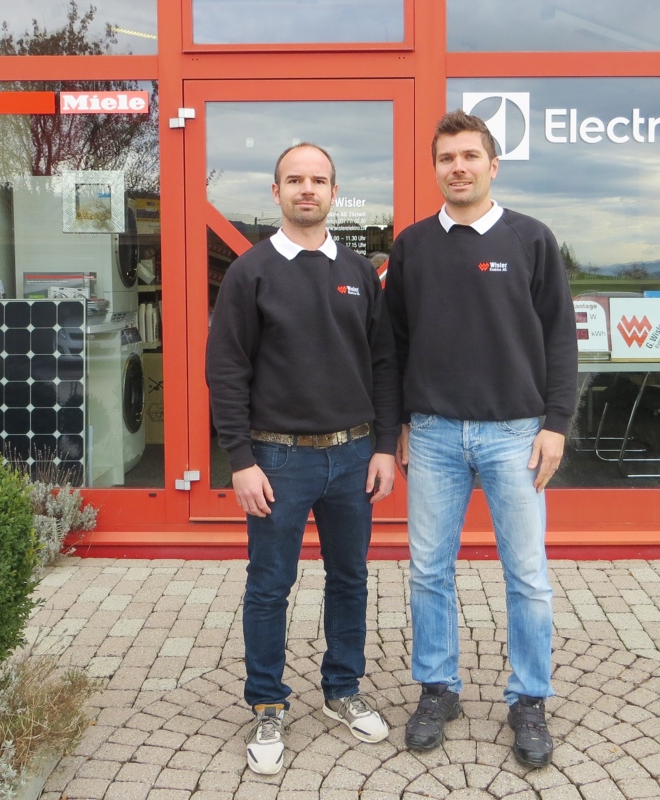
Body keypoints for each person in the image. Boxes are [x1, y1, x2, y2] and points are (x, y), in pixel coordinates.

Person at [384, 110, 578, 768]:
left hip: (515, 435)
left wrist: (556, 424)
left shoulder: (531, 239)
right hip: (433, 433)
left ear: (493, 165)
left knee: (527, 576)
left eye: (470, 156)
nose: (458, 168)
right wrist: (398, 423)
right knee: (428, 572)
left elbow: (560, 338)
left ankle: (529, 699)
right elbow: (394, 343)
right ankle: (437, 690)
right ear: (435, 169)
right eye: (447, 158)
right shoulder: (412, 246)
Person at [206, 143, 401, 775]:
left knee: (350, 579)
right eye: (295, 180)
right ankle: (267, 703)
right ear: (277, 192)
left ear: (334, 192)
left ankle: (343, 689)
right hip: (277, 460)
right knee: (269, 586)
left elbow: (383, 363)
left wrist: (383, 446)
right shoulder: (251, 272)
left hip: (353, 456)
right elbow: (226, 370)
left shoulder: (358, 271)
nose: (307, 189)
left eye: (318, 180)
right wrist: (240, 458)